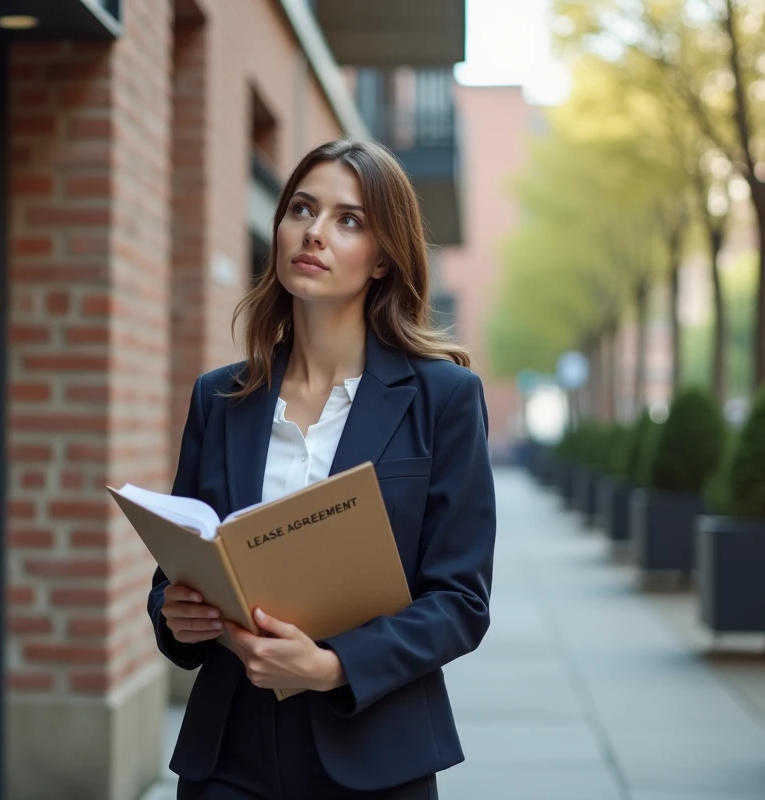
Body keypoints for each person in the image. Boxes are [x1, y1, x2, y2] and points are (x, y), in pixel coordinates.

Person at [147, 139, 496, 800]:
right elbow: (174, 575)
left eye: (348, 220)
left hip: (375, 753)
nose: (314, 232)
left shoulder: (444, 399)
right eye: (302, 209)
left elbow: (460, 602)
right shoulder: (220, 398)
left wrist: (333, 665)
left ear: (383, 258)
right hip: (229, 755)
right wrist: (177, 615)